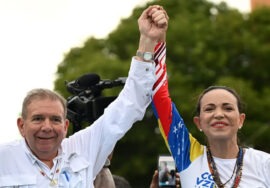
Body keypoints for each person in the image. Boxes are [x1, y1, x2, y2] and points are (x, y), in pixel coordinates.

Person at [0, 5, 169, 187]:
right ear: (21, 125)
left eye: (55, 119)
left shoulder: (82, 148)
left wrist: (147, 41)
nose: (47, 127)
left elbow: (129, 105)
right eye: (38, 119)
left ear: (65, 126)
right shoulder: (5, 160)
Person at [151, 8, 270, 188]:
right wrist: (155, 39)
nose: (219, 114)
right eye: (209, 108)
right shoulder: (186, 154)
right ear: (198, 122)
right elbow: (159, 97)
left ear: (241, 119)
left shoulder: (264, 164)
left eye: (228, 108)